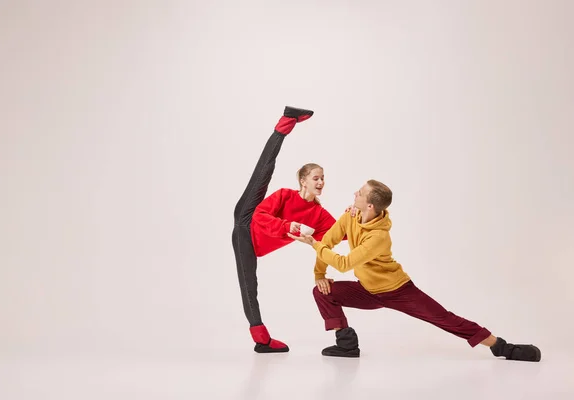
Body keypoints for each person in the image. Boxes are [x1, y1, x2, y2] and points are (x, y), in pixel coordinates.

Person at [288, 179, 542, 362]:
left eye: (360, 193)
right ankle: (346, 345)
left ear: (370, 207)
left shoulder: (379, 237)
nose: (355, 192)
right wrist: (319, 274)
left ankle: (502, 347)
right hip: (367, 289)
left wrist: (313, 243)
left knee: (444, 318)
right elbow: (329, 243)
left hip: (398, 290)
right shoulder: (349, 217)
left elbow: (343, 263)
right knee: (322, 292)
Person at [232, 106, 338, 353]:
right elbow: (260, 215)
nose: (321, 182)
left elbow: (338, 233)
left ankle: (260, 340)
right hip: (246, 224)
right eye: (316, 178)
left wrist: (360, 217)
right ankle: (285, 123)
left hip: (254, 242)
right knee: (263, 174)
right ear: (303, 181)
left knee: (251, 285)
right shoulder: (284, 195)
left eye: (323, 178)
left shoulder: (319, 214)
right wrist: (287, 226)